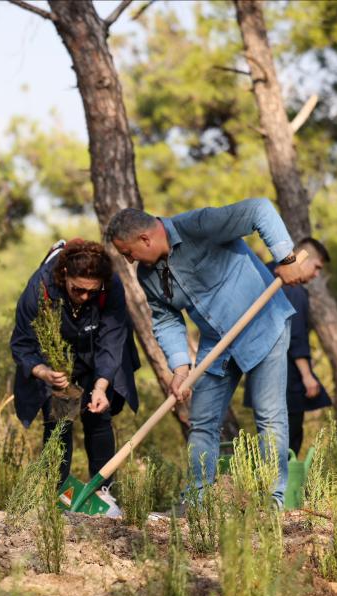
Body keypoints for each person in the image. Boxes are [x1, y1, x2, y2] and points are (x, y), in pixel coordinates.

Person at [108, 199, 302, 508]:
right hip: (217, 343)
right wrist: (180, 367)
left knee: (269, 416)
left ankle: (274, 500)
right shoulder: (147, 275)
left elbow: (259, 210)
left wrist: (286, 257)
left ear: (145, 238)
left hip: (264, 324)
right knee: (202, 420)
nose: (130, 261)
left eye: (128, 253)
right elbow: (166, 318)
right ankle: (197, 502)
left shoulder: (198, 225)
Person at [10, 239, 140, 513]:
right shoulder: (39, 289)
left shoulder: (110, 286)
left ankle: (105, 493)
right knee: (60, 420)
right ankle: (57, 496)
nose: (84, 297)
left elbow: (113, 338)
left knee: (98, 415)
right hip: (57, 360)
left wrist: (102, 385)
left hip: (96, 353)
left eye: (91, 293)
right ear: (64, 275)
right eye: (77, 290)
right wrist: (44, 371)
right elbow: (22, 344)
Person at [243, 238, 332, 457]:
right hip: (286, 376)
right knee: (288, 441)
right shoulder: (293, 289)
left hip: (259, 371)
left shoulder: (263, 275)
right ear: (303, 258)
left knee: (268, 438)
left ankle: (268, 488)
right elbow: (297, 336)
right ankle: (283, 491)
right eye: (317, 267)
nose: (316, 275)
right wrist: (307, 376)